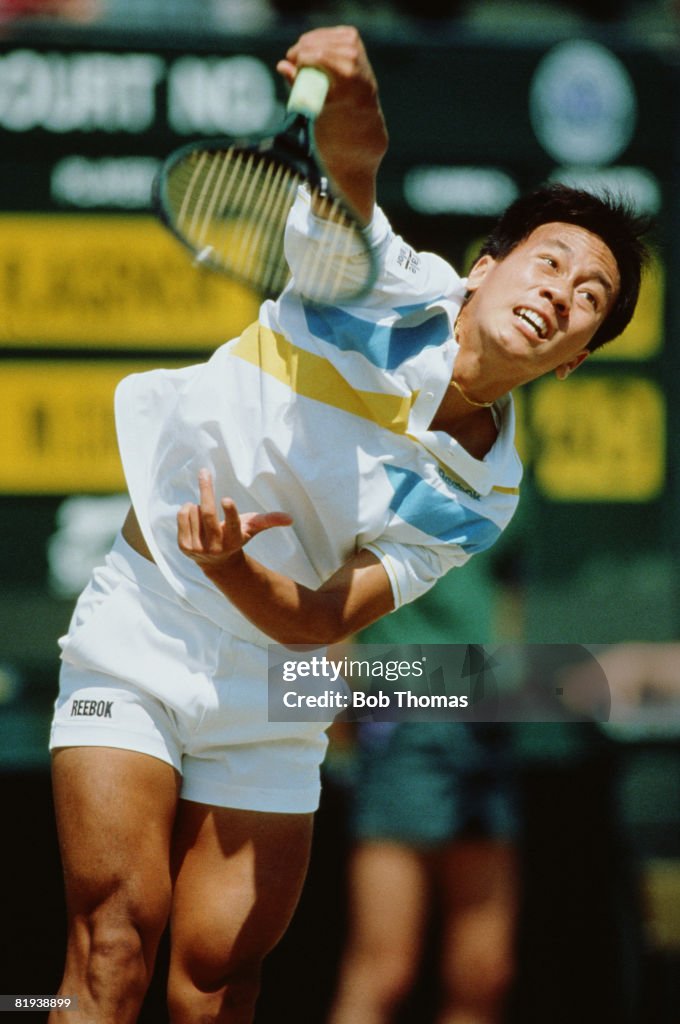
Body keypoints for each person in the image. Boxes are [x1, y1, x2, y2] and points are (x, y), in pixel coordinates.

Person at [48, 24, 651, 1024]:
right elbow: (353, 156)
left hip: (281, 677)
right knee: (115, 941)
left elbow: (314, 620)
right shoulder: (376, 280)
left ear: (573, 358)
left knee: (213, 985)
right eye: (546, 264)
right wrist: (354, 80)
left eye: (589, 297)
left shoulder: (482, 491)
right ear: (482, 265)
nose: (559, 295)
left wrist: (237, 563)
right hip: (145, 621)